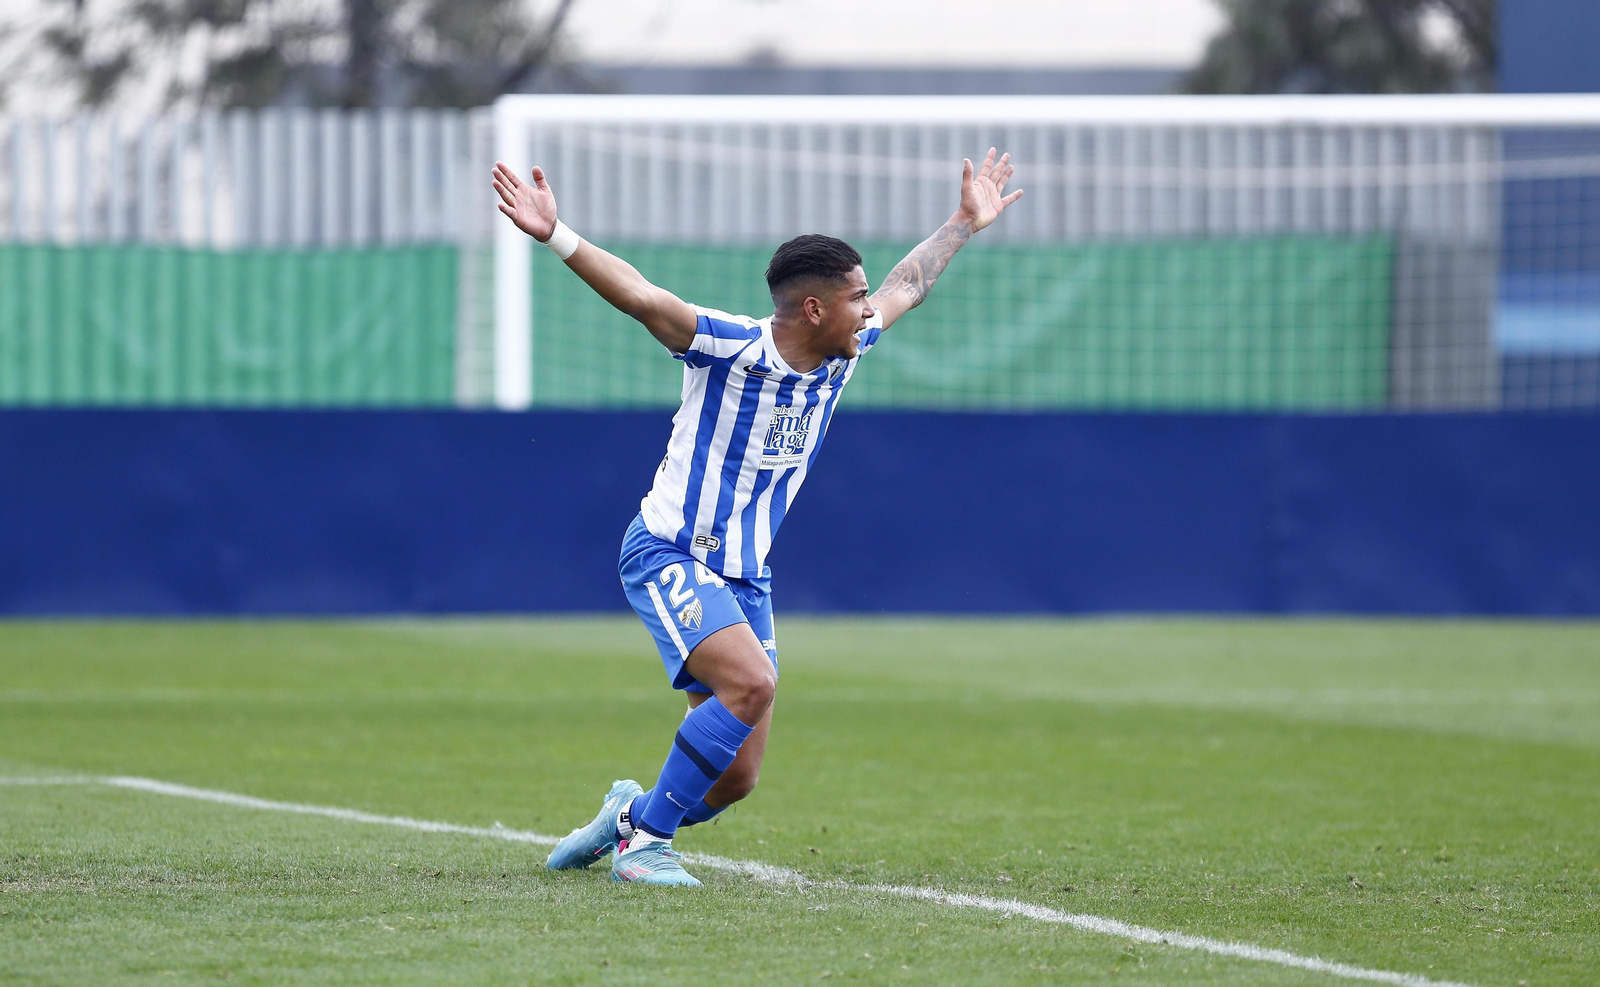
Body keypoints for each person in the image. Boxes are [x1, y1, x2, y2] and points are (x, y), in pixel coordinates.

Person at [491, 147, 1023, 886]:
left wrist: (964, 223)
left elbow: (910, 283)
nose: (871, 307)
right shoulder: (729, 347)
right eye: (856, 296)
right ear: (815, 307)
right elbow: (644, 297)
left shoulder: (847, 349)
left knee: (738, 776)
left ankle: (626, 817)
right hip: (670, 550)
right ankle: (644, 846)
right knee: (753, 685)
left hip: (744, 573)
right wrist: (557, 234)